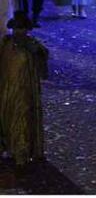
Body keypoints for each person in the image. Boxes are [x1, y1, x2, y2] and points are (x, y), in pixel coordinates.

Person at [0, 11, 48, 169]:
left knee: (22, 121)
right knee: (6, 117)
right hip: (6, 90)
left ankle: (21, 152)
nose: (18, 32)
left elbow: (43, 58)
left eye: (21, 28)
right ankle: (8, 147)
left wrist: (37, 53)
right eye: (16, 28)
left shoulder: (32, 47)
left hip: (24, 91)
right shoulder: (6, 44)